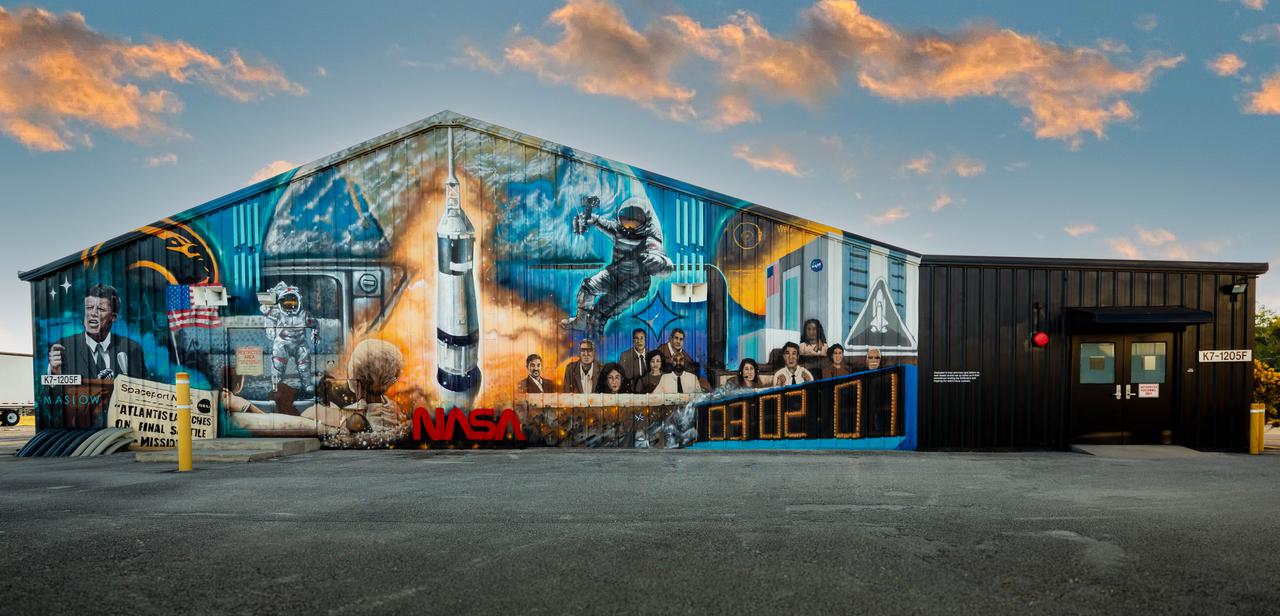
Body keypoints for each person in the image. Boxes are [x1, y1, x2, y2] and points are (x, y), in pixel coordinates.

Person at [560, 195, 675, 336]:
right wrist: (587, 217)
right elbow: (598, 221)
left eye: (635, 221)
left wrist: (660, 262)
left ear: (645, 221)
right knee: (587, 288)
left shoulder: (650, 236)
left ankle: (595, 341)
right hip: (615, 273)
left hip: (635, 283)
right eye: (626, 220)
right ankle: (581, 322)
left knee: (599, 312)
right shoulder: (617, 229)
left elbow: (660, 256)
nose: (630, 226)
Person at [47, 283, 146, 381]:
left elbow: (143, 390)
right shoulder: (63, 348)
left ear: (113, 316)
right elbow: (50, 394)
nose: (93, 313)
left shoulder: (132, 349)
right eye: (89, 308)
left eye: (100, 309)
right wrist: (55, 373)